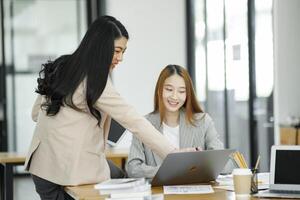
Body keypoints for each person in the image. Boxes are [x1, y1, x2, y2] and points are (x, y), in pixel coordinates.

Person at [24, 16, 192, 200]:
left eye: (123, 52)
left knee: (120, 176)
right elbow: (133, 120)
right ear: (101, 48)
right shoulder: (96, 80)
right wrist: (173, 154)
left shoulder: (62, 65)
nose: (120, 58)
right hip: (66, 174)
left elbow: (36, 114)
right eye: (117, 51)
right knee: (129, 186)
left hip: (40, 167)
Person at [126, 64, 224, 179]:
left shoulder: (203, 122)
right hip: (158, 193)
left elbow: (221, 162)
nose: (174, 96)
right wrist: (171, 170)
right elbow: (133, 169)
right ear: (159, 90)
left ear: (187, 95)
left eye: (181, 91)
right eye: (169, 89)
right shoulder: (144, 124)